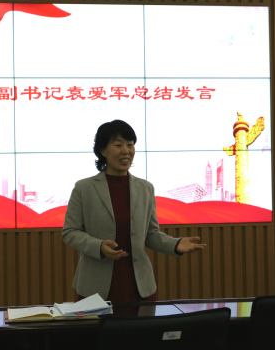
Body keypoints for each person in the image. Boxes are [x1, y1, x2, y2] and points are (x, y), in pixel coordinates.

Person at [61, 120, 206, 303]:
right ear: (103, 150)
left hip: (139, 285)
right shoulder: (84, 188)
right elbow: (70, 232)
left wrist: (174, 244)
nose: (126, 151)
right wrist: (99, 246)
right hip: (95, 285)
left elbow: (150, 234)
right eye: (118, 145)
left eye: (130, 145)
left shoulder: (145, 188)